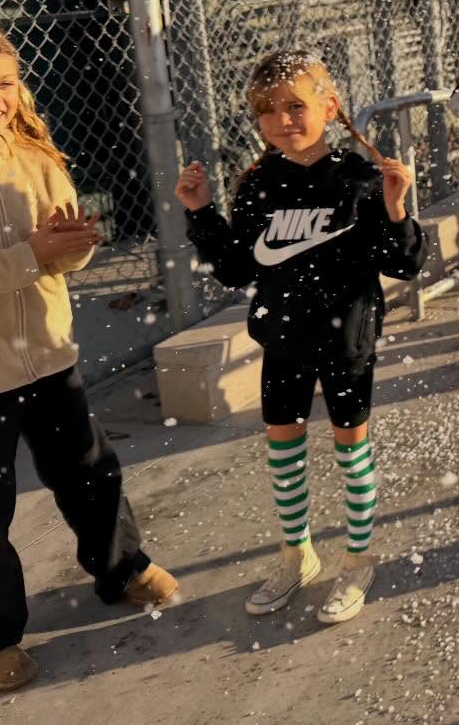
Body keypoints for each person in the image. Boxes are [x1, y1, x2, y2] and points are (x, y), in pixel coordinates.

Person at [175, 50, 424, 624]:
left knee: (350, 452)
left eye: (296, 106)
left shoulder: (359, 178)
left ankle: (358, 558)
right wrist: (202, 213)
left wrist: (394, 208)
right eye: (268, 110)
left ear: (329, 106)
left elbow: (405, 263)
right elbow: (238, 268)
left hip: (346, 341)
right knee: (282, 452)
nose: (283, 119)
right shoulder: (260, 183)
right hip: (284, 341)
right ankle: (298, 553)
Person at [0, 22, 179, 694]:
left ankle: (122, 566)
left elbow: (65, 251)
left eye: (3, 82)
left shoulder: (35, 154)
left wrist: (72, 243)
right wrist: (33, 254)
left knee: (90, 471)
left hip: (50, 355)